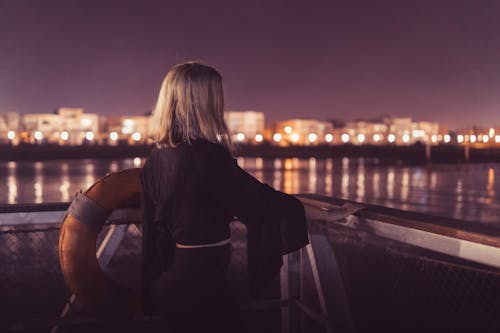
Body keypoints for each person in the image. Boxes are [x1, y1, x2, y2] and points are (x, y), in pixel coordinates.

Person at [140, 61, 308, 332]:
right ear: (204, 103)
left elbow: (151, 225)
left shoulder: (157, 157)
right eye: (216, 97)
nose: (221, 104)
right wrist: (306, 208)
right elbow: (258, 200)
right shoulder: (208, 157)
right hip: (202, 281)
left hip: (172, 276)